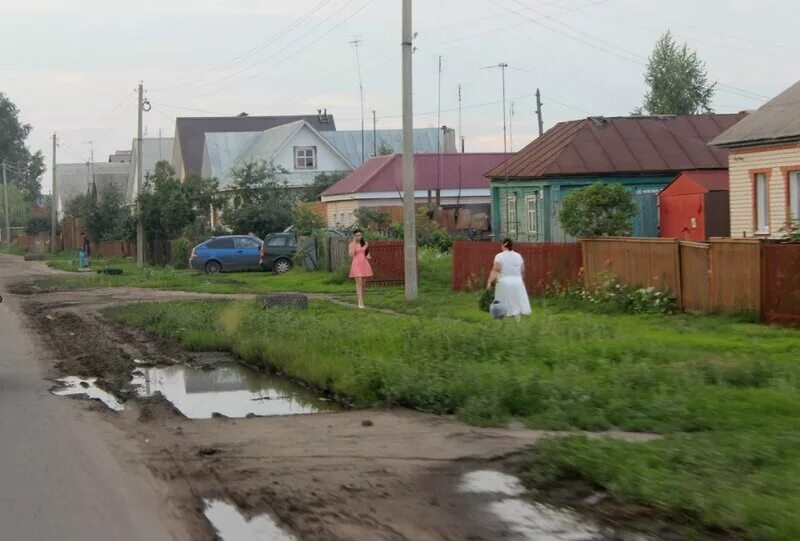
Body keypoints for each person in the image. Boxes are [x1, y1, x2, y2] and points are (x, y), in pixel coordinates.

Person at [486, 238, 531, 320]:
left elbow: (496, 270)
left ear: (504, 245)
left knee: (500, 303)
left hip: (504, 283)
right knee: (517, 303)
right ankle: (518, 322)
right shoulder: (518, 256)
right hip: (518, 283)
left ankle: (499, 322)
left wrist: (489, 282)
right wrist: (519, 280)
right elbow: (523, 270)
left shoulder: (499, 256)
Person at [348, 229, 373, 309]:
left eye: (360, 235)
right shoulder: (351, 244)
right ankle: (360, 302)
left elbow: (367, 254)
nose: (358, 237)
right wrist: (354, 243)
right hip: (356, 264)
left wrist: (368, 256)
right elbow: (351, 255)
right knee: (359, 283)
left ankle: (362, 298)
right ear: (354, 236)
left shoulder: (365, 243)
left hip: (364, 264)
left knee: (363, 285)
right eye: (357, 235)